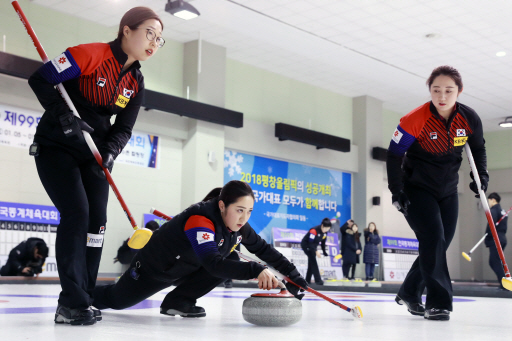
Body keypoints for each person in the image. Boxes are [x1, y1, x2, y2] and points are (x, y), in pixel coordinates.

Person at [27, 7, 164, 325]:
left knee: (97, 223)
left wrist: (111, 151)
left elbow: (124, 127)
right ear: (126, 30)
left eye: (160, 39)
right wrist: (65, 117)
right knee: (77, 214)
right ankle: (71, 302)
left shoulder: (135, 81)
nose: (154, 42)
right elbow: (42, 79)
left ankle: (84, 298)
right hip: (56, 147)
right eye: (149, 33)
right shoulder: (90, 54)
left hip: (95, 156)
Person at [92, 180, 308, 318]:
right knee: (116, 301)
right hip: (154, 270)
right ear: (222, 206)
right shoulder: (200, 220)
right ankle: (81, 294)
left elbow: (263, 249)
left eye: (249, 211)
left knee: (230, 259)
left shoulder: (240, 226)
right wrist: (255, 270)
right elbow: (212, 264)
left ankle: (178, 302)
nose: (244, 218)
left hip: (186, 268)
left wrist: (293, 274)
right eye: (239, 210)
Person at [386, 65, 488, 321]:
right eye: (436, 90)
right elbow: (394, 154)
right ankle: (439, 303)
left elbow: (478, 149)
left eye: (449, 90)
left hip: (448, 189)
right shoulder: (414, 119)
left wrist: (481, 177)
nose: (442, 96)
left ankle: (409, 292)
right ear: (430, 90)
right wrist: (396, 190)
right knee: (433, 238)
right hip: (417, 188)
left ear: (459, 91)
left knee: (439, 244)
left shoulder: (469, 118)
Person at [484, 193, 508, 290]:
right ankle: (505, 283)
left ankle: (505, 284)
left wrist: (487, 238)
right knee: (497, 261)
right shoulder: (503, 211)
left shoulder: (493, 210)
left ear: (493, 200)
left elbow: (491, 225)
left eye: (489, 200)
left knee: (494, 262)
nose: (488, 203)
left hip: (495, 239)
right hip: (502, 238)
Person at [301, 218, 331, 285]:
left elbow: (323, 243)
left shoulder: (325, 233)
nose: (326, 230)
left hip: (313, 246)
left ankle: (307, 280)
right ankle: (318, 280)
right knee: (313, 262)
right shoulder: (314, 230)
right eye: (326, 228)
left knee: (311, 262)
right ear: (322, 226)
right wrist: (316, 251)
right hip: (307, 245)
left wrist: (324, 252)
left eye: (328, 229)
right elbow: (310, 242)